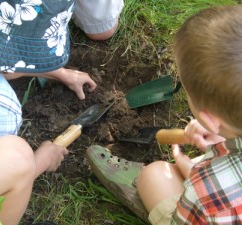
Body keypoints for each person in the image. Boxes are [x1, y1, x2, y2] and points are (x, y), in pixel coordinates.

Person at [0, 0, 123, 224]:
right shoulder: (1, 113)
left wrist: (60, 73)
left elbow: (2, 61)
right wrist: (37, 164)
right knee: (17, 158)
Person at [86, 4, 242, 225]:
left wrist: (196, 177)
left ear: (209, 120)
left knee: (155, 175)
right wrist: (224, 140)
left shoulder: (205, 193)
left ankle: (140, 189)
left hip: (203, 211)